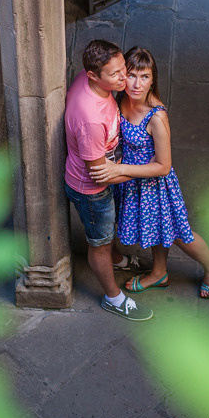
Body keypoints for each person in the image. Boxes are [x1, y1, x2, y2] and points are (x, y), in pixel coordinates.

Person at [89, 46, 209, 298]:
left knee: (178, 233)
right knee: (156, 229)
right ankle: (159, 273)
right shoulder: (122, 99)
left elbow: (163, 166)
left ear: (153, 79)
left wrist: (118, 168)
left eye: (144, 77)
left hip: (154, 184)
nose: (136, 84)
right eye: (131, 75)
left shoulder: (156, 116)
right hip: (133, 182)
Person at [64, 39, 153, 321]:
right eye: (116, 74)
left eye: (123, 68)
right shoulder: (90, 119)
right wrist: (145, 173)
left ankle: (117, 259)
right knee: (99, 242)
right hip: (93, 190)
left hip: (105, 173)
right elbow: (99, 172)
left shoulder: (90, 79)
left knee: (106, 235)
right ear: (93, 75)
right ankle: (113, 298)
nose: (124, 78)